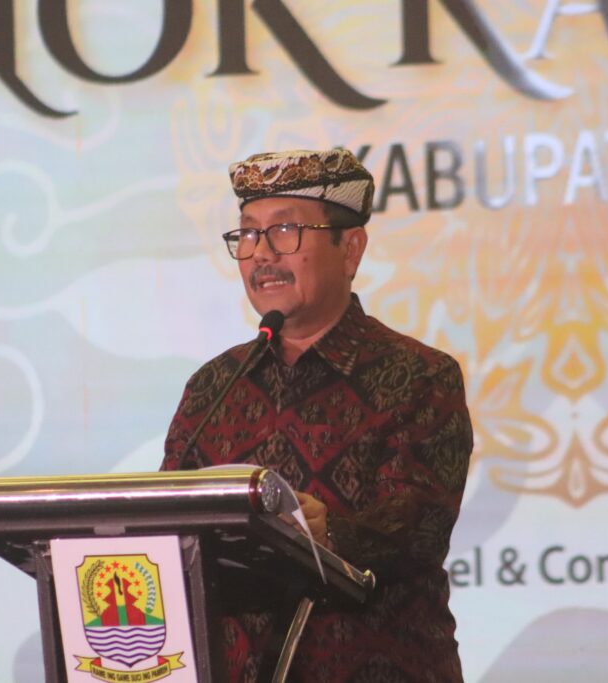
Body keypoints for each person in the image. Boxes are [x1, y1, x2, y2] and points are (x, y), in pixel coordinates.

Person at [161, 148, 473, 682]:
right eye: (249, 234)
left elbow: (420, 529)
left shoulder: (418, 375)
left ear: (350, 249)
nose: (262, 254)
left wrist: (329, 534)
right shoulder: (213, 386)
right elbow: (170, 524)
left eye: (285, 232)